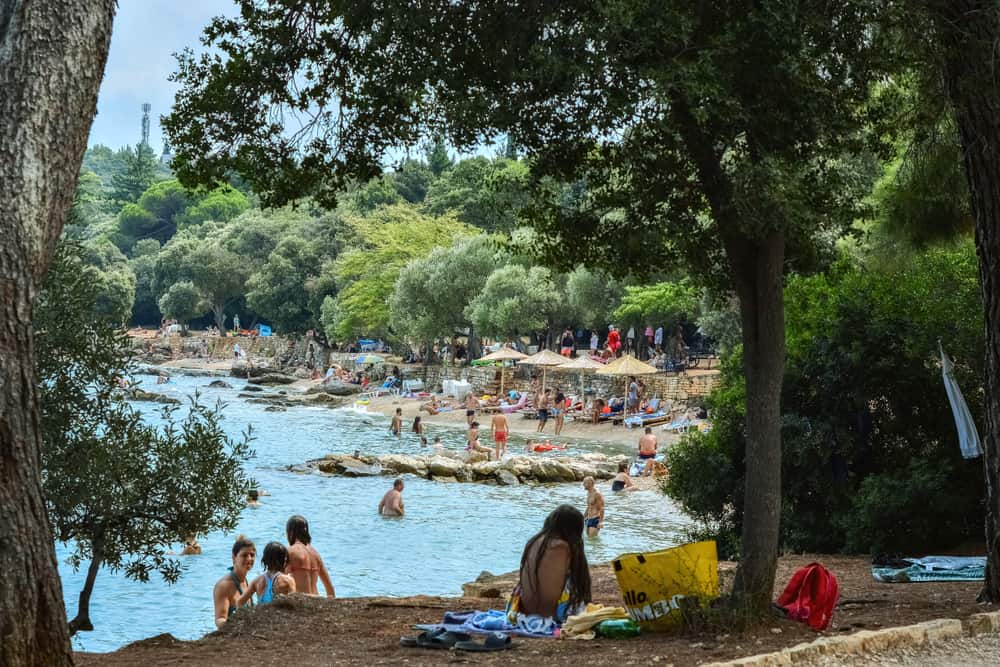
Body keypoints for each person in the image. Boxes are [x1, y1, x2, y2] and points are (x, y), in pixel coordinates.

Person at [506, 505, 591, 625]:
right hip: (551, 616)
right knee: (575, 577)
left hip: (524, 614)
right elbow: (580, 579)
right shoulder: (563, 547)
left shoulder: (533, 541)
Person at [285, 515, 335, 597]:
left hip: (300, 602)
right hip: (316, 601)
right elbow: (329, 588)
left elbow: (277, 581)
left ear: (290, 532)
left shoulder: (290, 552)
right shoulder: (316, 554)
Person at [213, 535, 256, 628]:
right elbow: (220, 619)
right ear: (234, 557)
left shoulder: (246, 581)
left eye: (252, 555)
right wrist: (236, 625)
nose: (249, 559)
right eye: (244, 555)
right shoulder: (224, 586)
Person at [237, 542, 296, 607]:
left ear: (265, 559)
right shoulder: (288, 580)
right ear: (283, 560)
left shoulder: (257, 581)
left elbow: (239, 602)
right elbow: (293, 607)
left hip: (261, 616)